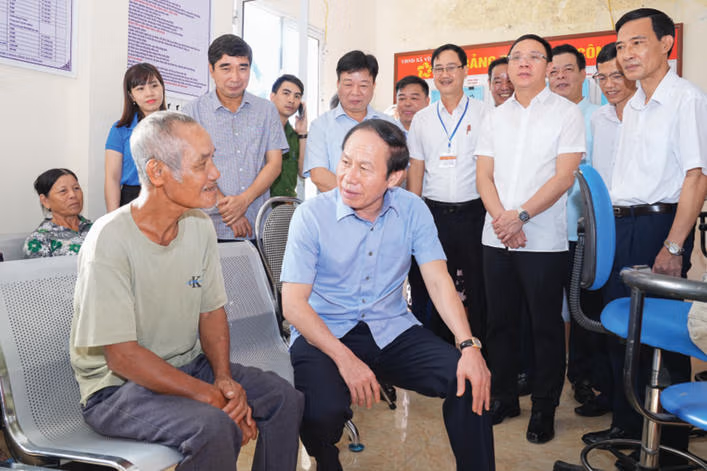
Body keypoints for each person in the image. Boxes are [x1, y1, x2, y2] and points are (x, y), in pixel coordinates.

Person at [70, 111, 303, 471]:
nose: (216, 174)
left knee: (284, 398)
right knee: (214, 426)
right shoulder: (109, 238)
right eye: (201, 164)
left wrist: (222, 378)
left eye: (212, 160)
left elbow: (211, 312)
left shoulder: (198, 226)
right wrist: (209, 396)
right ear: (157, 172)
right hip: (118, 388)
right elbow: (122, 358)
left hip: (188, 366)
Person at [281, 119, 495, 471]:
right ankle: (326, 461)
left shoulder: (412, 210)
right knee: (321, 412)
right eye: (345, 162)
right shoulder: (311, 216)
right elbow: (292, 305)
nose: (349, 177)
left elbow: (438, 280)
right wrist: (346, 360)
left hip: (391, 327)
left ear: (393, 177)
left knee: (469, 379)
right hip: (324, 330)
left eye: (365, 168)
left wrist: (468, 346)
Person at [580, 9, 707, 466]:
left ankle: (669, 451)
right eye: (621, 45)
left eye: (637, 42)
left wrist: (673, 246)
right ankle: (630, 431)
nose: (627, 54)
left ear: (666, 43)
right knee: (625, 332)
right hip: (623, 225)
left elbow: (697, 177)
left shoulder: (685, 99)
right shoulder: (633, 106)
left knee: (662, 338)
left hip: (659, 227)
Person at [475, 34, 584, 444]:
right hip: (496, 235)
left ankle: (544, 406)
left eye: (533, 56)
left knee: (544, 326)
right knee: (499, 322)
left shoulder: (566, 113)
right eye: (516, 57)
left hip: (543, 239)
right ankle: (504, 397)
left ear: (547, 66)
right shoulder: (494, 116)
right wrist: (503, 220)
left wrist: (520, 216)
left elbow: (564, 177)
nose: (523, 63)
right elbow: (483, 176)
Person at [552, 42, 638, 471]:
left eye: (615, 75)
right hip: (578, 230)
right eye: (605, 77)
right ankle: (602, 392)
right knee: (589, 313)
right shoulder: (599, 119)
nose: (609, 84)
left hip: (617, 229)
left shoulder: (604, 115)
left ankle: (618, 401)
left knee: (610, 316)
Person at [407, 44, 491, 345]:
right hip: (434, 215)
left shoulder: (485, 113)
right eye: (438, 69)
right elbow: (416, 169)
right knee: (435, 286)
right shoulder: (422, 119)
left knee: (479, 287)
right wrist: (413, 215)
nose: (445, 74)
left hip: (475, 213)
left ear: (465, 71)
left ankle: (481, 351)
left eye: (451, 67)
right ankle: (439, 351)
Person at [184, 34, 286, 241]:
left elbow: (274, 164)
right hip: (209, 227)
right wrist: (231, 212)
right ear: (211, 69)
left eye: (243, 68)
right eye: (226, 68)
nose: (235, 77)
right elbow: (193, 167)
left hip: (257, 225)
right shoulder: (192, 112)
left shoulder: (266, 110)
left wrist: (244, 201)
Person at [548, 44, 603, 410]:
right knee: (548, 311)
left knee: (583, 311)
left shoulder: (598, 117)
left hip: (582, 233)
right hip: (544, 233)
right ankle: (546, 376)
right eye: (554, 71)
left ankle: (583, 378)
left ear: (584, 74)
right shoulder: (543, 117)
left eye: (568, 69)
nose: (561, 77)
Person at [304, 50, 398, 192]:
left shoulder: (390, 125)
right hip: (334, 205)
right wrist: (359, 196)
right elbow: (319, 175)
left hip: (380, 205)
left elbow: (399, 170)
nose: (355, 92)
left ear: (373, 86)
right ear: (338, 84)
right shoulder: (320, 126)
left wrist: (371, 198)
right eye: (348, 84)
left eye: (363, 85)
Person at [104, 63, 167, 212]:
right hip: (132, 200)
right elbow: (112, 178)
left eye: (154, 86)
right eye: (140, 89)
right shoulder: (120, 130)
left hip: (169, 198)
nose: (149, 93)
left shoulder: (178, 126)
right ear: (131, 95)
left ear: (162, 88)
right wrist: (113, 218)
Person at [24, 168, 92, 258]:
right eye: (63, 191)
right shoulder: (38, 241)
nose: (73, 195)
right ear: (45, 201)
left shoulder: (97, 228)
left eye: (76, 188)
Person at [269, 74, 308, 198]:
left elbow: (303, 172)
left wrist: (302, 133)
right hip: (262, 203)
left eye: (297, 96)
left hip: (287, 204)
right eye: (286, 93)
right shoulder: (260, 130)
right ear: (272, 96)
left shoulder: (294, 135)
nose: (291, 100)